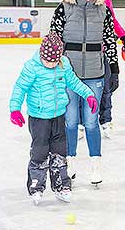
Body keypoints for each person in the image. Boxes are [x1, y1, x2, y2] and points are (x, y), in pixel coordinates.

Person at [9, 32, 97, 205]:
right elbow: (20, 87)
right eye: (47, 61)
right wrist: (15, 109)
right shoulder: (32, 67)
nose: (51, 65)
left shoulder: (63, 65)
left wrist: (88, 95)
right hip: (39, 117)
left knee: (59, 152)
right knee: (40, 152)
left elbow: (74, 82)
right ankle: (36, 186)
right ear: (42, 55)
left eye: (54, 61)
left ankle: (61, 186)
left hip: (58, 116)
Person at [49, 0, 119, 184]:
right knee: (70, 121)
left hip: (95, 73)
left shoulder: (103, 10)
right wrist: (52, 70)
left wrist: (114, 68)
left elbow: (109, 38)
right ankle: (69, 162)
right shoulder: (64, 8)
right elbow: (53, 38)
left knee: (91, 122)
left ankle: (95, 165)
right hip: (69, 74)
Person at [78, 0, 125, 139]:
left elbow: (112, 20)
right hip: (82, 53)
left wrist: (123, 37)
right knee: (80, 88)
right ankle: (81, 122)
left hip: (103, 50)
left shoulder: (106, 0)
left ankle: (105, 120)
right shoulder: (78, 3)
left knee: (105, 87)